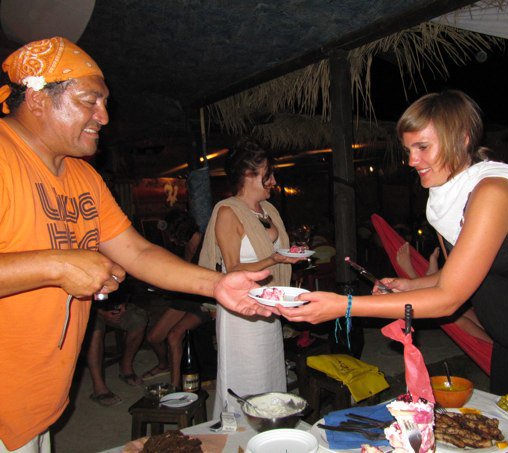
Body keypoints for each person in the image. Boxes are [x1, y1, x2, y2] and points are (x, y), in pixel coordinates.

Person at [0, 37, 272, 452]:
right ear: (38, 99)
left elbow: (138, 252)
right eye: (90, 100)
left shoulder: (82, 177)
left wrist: (215, 286)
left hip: (36, 401)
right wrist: (55, 265)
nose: (104, 116)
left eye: (104, 102)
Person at [278, 90, 508, 420]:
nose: (411, 160)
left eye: (422, 147)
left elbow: (449, 298)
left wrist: (345, 306)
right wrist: (410, 286)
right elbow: (467, 270)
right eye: (408, 150)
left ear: (461, 139)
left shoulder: (493, 192)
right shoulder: (451, 197)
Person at [198, 138, 303, 417]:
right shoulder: (228, 211)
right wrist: (275, 259)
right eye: (268, 173)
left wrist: (288, 255)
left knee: (270, 371)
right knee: (246, 376)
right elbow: (231, 268)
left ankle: (270, 426)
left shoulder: (269, 211)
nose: (273, 180)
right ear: (248, 174)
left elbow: (275, 251)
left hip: (267, 305)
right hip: (239, 312)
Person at [143, 209, 212, 387]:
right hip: (185, 299)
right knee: (154, 337)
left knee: (174, 335)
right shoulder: (184, 245)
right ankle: (164, 364)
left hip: (204, 302)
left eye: (172, 235)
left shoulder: (207, 243)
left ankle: (175, 388)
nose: (172, 240)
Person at [86, 294, 148, 406]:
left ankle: (126, 367)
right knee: (94, 329)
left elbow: (125, 289)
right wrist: (100, 312)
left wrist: (122, 308)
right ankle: (99, 388)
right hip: (89, 309)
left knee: (138, 318)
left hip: (112, 306)